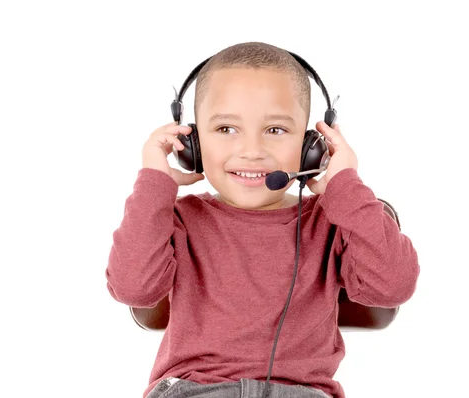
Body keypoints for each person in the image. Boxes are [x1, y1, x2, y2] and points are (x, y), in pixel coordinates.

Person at [104, 42, 420, 398]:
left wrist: (345, 185)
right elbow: (133, 288)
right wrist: (154, 184)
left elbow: (393, 286)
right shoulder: (177, 218)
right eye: (226, 129)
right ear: (190, 144)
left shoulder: (332, 220)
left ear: (312, 145)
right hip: (196, 390)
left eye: (275, 130)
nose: (252, 151)